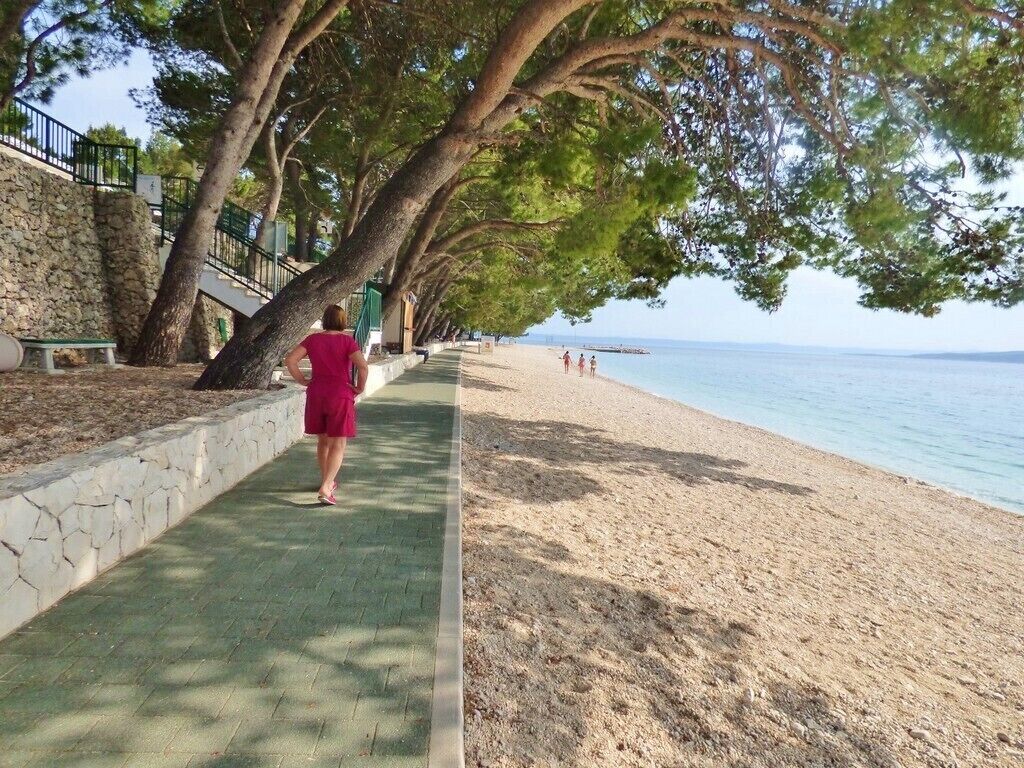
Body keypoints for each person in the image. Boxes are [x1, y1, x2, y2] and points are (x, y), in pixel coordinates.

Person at [284, 305, 369, 505]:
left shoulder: (312, 340)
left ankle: (327, 481)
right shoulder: (347, 341)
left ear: (324, 320)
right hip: (340, 395)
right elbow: (363, 367)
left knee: (323, 442)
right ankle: (326, 486)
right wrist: (359, 387)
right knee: (338, 444)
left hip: (316, 394)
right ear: (342, 321)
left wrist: (302, 380)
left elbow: (291, 360)